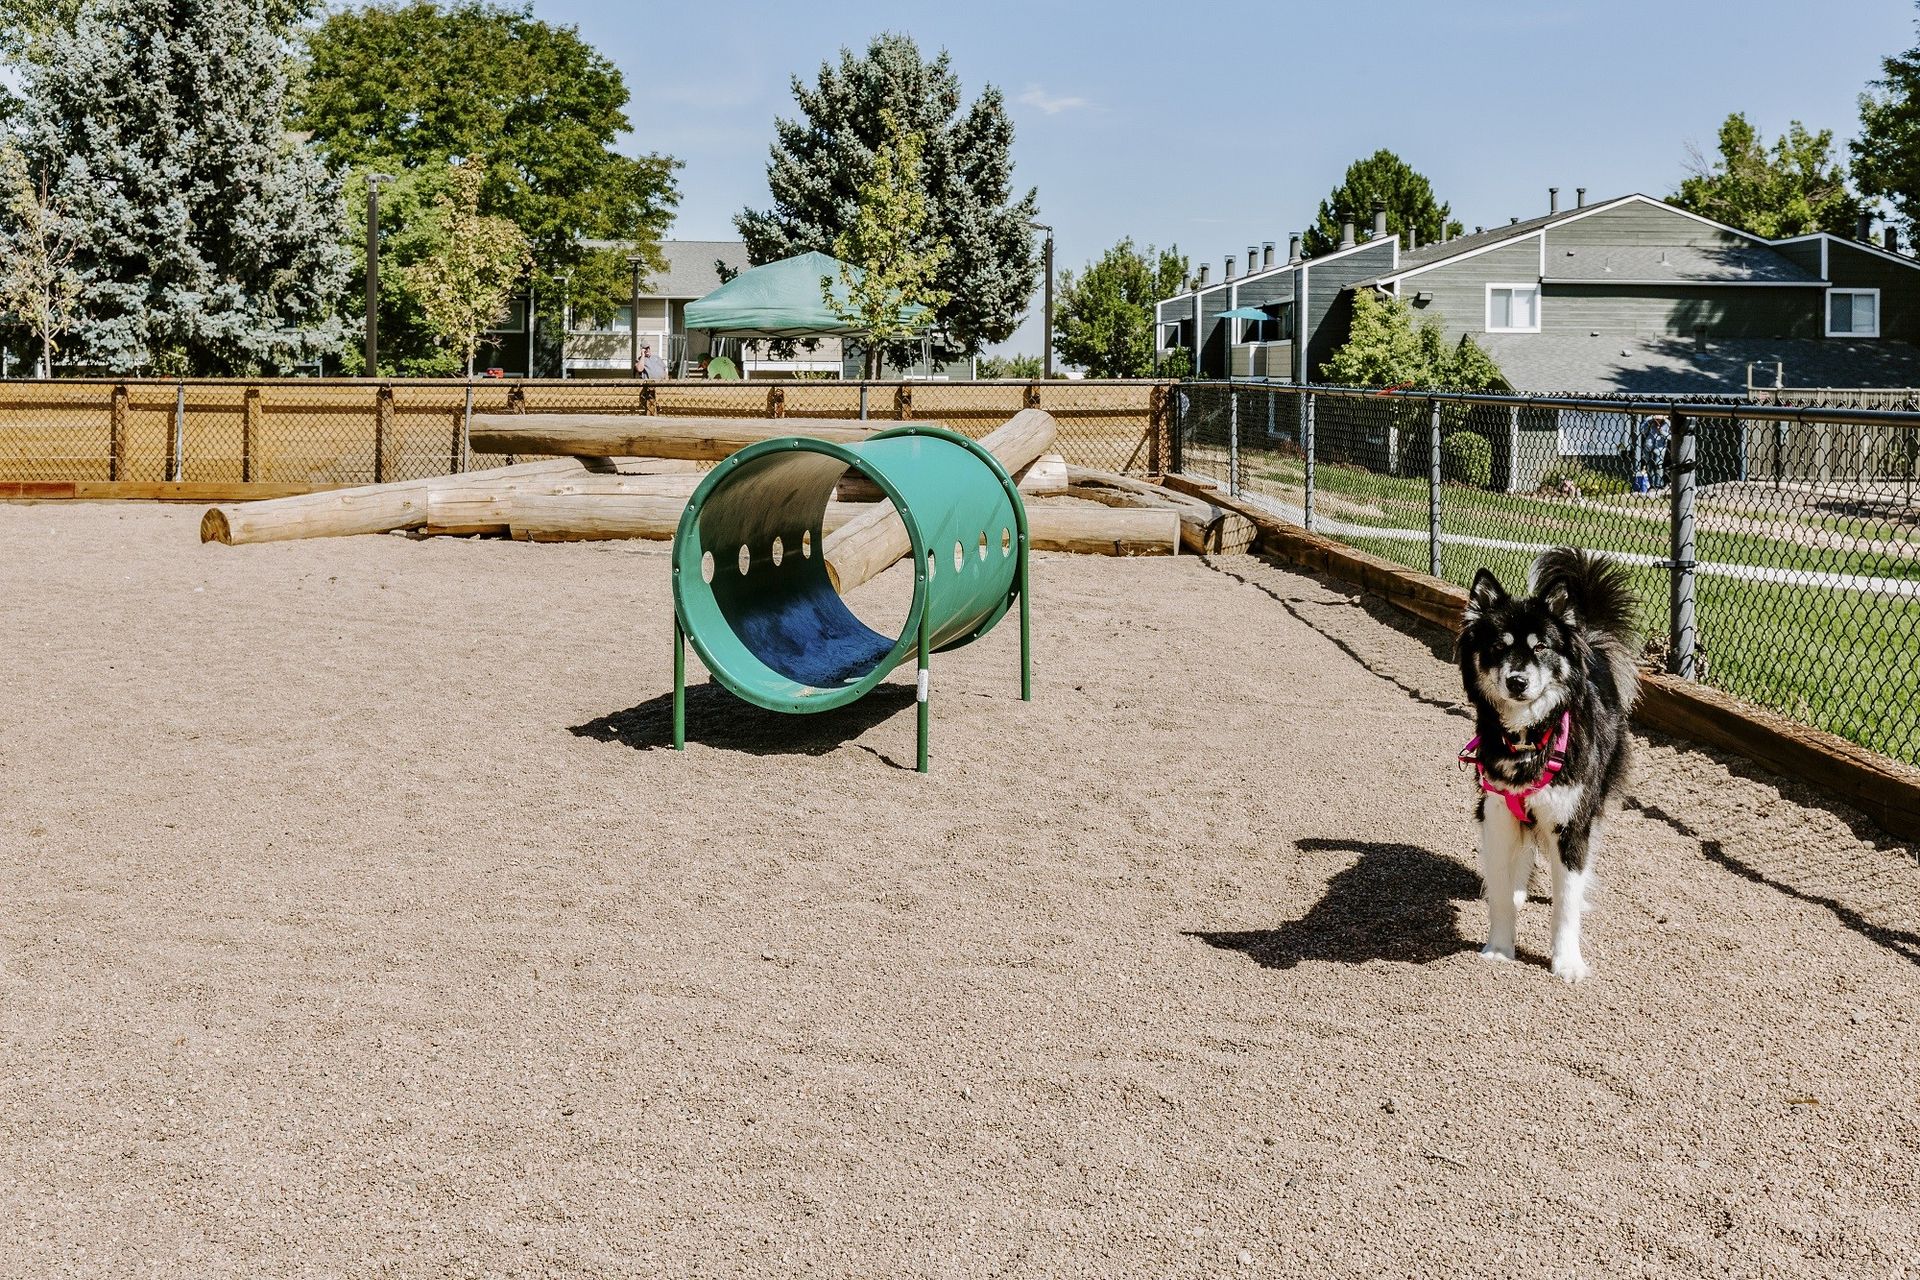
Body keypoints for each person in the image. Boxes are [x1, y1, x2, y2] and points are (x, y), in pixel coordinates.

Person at [1638, 414, 1670, 488]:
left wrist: (1662, 432)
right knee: (1649, 466)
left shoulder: (1667, 423)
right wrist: (1649, 424)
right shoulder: (1648, 420)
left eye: (1659, 419)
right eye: (1656, 419)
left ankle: (1658, 485)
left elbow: (1671, 437)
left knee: (1659, 466)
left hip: (1660, 448)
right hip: (1648, 446)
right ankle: (1651, 485)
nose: (1657, 421)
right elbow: (1642, 431)